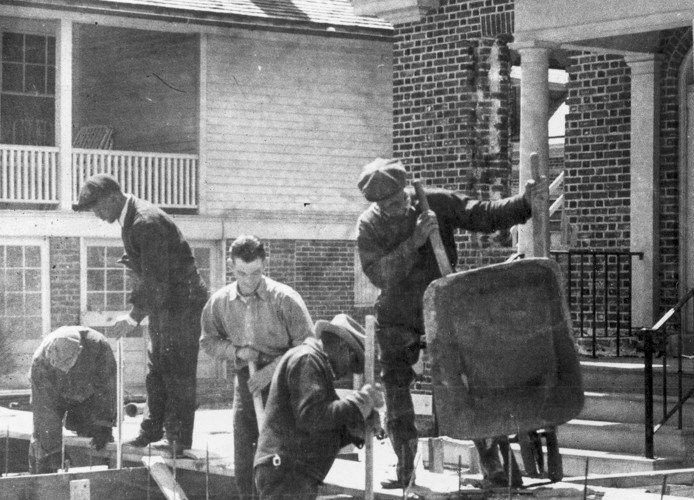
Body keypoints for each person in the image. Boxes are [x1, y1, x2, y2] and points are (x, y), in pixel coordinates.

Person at [355, 157, 546, 488]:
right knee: (396, 388)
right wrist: (414, 241)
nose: (395, 209)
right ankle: (405, 469)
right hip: (398, 313)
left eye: (399, 201)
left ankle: (495, 468)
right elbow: (379, 275)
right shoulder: (369, 225)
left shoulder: (435, 202)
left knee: (469, 380)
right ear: (376, 204)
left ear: (406, 189)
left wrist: (524, 203)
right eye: (387, 206)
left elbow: (482, 214)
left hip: (443, 304)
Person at [74, 173, 208, 455]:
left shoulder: (145, 222)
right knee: (156, 368)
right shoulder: (130, 219)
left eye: (97, 207)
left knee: (177, 370)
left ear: (113, 198)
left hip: (182, 303)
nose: (96, 214)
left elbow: (157, 279)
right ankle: (150, 434)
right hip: (166, 302)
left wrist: (133, 317)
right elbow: (149, 273)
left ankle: (176, 441)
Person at [201, 234, 315, 499]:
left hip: (285, 383)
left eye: (255, 273)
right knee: (246, 456)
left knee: (280, 455)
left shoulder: (285, 299)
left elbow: (309, 347)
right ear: (231, 266)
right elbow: (208, 342)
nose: (249, 280)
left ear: (265, 263)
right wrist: (237, 351)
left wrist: (271, 370)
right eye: (242, 273)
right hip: (247, 383)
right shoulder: (220, 302)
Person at [254, 314, 384, 500]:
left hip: (292, 472)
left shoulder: (315, 365)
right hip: (287, 473)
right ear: (343, 346)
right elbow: (312, 417)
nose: (348, 372)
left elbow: (323, 426)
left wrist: (354, 429)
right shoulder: (307, 360)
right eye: (353, 362)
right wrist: (359, 402)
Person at [29, 326, 116, 474]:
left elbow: (107, 389)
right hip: (56, 394)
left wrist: (103, 422)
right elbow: (44, 408)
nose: (62, 370)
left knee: (97, 438)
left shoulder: (99, 347)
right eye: (56, 364)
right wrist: (53, 450)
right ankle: (40, 481)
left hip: (88, 396)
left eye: (65, 364)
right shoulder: (40, 362)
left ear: (79, 351)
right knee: (43, 443)